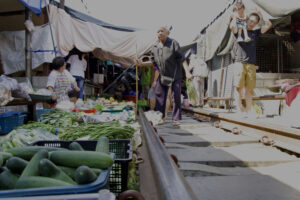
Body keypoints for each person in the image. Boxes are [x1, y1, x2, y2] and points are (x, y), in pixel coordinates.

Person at [135, 26, 192, 123]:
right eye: (158, 31)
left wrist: (187, 72)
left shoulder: (173, 43)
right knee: (159, 95)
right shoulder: (155, 47)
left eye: (162, 31)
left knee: (176, 96)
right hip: (162, 76)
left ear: (167, 33)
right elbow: (154, 63)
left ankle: (175, 118)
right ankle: (160, 116)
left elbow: (182, 59)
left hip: (175, 75)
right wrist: (141, 63)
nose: (160, 33)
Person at [230, 8, 272, 117]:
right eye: (251, 20)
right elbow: (232, 25)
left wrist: (261, 14)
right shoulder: (238, 30)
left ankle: (248, 110)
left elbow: (268, 24)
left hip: (251, 64)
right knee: (238, 88)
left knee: (249, 89)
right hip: (239, 62)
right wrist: (238, 15)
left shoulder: (255, 33)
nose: (252, 23)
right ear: (247, 20)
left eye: (255, 22)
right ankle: (239, 109)